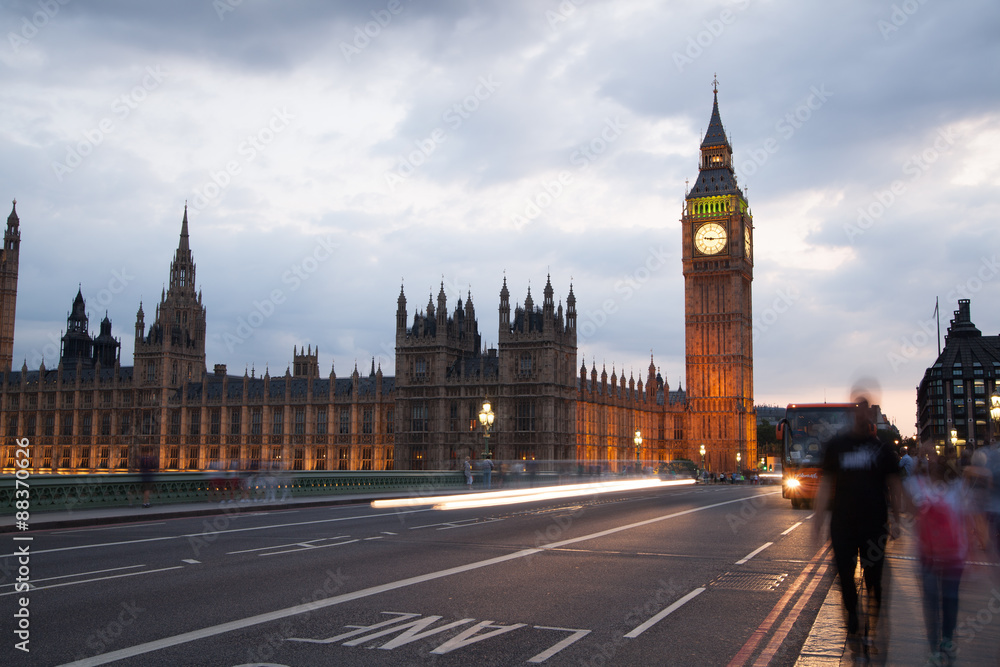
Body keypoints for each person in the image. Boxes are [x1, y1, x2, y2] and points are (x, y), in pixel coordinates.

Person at [812, 397, 901, 653]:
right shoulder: (837, 446)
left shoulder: (881, 450)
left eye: (867, 411)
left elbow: (894, 484)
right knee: (844, 576)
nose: (863, 415)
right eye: (858, 410)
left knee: (874, 580)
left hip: (874, 526)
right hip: (843, 525)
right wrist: (817, 521)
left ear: (872, 416)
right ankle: (852, 613)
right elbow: (826, 483)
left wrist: (896, 519)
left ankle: (871, 628)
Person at [905, 451, 968, 665]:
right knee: (949, 599)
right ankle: (947, 640)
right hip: (953, 555)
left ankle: (935, 646)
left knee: (932, 603)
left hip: (928, 555)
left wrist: (920, 459)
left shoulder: (919, 486)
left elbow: (908, 500)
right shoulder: (957, 488)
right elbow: (965, 518)